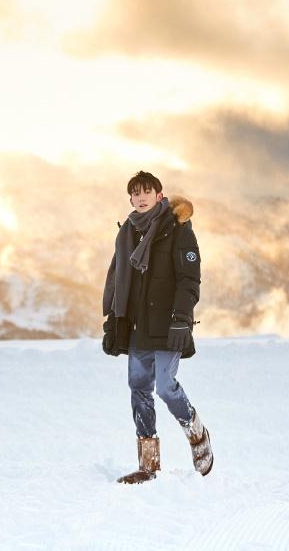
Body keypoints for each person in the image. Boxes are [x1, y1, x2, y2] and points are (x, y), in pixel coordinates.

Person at [101, 170, 213, 484]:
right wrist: (115, 320)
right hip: (138, 326)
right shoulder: (128, 234)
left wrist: (182, 319)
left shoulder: (178, 231)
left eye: (146, 191)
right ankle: (148, 466)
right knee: (139, 390)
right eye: (134, 193)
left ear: (159, 195)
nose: (140, 197)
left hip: (168, 326)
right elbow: (119, 280)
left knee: (165, 386)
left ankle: (196, 431)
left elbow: (189, 280)